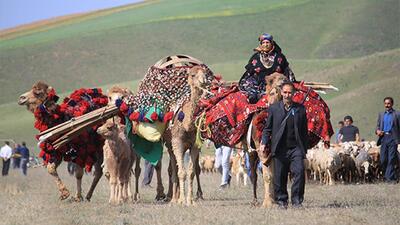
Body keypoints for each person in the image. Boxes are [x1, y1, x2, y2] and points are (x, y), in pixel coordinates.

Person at [260, 81, 309, 209]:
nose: (287, 95)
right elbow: (267, 129)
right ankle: (282, 201)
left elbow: (304, 131)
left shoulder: (300, 109)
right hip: (280, 149)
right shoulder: (274, 108)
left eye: (290, 92)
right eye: (285, 92)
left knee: (299, 172)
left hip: (296, 148)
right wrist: (264, 142)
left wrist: (304, 151)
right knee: (279, 177)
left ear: (294, 93)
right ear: (281, 93)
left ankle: (297, 201)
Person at [239, 33, 295, 103]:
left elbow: (287, 72)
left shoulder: (279, 57)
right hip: (257, 85)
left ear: (272, 43)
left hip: (276, 84)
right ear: (261, 44)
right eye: (263, 43)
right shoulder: (255, 57)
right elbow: (249, 74)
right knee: (251, 96)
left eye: (267, 42)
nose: (265, 45)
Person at [375, 97, 400, 182]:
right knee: (383, 159)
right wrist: (377, 131)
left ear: (392, 104)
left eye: (388, 103)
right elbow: (377, 126)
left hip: (393, 138)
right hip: (383, 138)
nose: (387, 105)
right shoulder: (381, 114)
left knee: (391, 158)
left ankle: (389, 178)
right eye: (385, 103)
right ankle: (388, 176)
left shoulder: (397, 114)